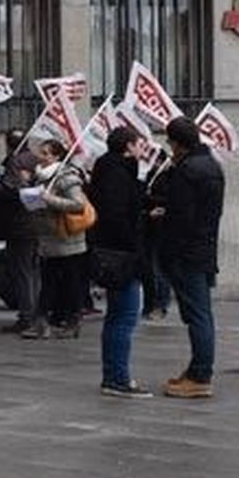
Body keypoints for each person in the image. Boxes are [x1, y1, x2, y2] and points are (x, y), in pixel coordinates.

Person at [155, 117, 225, 399]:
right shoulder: (211, 166)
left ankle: (200, 374)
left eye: (170, 142)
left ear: (178, 143)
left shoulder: (187, 170)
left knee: (197, 314)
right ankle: (197, 368)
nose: (169, 147)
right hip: (204, 246)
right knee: (200, 312)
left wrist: (163, 217)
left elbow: (181, 216)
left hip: (187, 251)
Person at [89, 126, 151, 398]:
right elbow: (118, 214)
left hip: (114, 251)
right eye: (140, 144)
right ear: (128, 146)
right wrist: (132, 246)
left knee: (118, 316)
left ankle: (113, 375)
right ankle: (117, 378)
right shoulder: (117, 172)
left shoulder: (112, 168)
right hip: (121, 255)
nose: (142, 149)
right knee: (125, 316)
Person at [35, 139, 91, 339]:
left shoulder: (66, 178)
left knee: (70, 281)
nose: (41, 157)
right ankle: (43, 321)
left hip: (67, 239)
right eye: (41, 152)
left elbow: (77, 204)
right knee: (48, 281)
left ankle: (72, 320)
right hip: (48, 238)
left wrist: (49, 200)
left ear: (57, 156)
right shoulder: (41, 177)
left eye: (46, 153)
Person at [0, 129, 43, 336]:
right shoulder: (37, 161)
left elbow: (12, 192)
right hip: (36, 224)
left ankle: (27, 316)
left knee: (22, 271)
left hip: (19, 224)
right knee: (33, 271)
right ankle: (35, 312)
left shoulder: (15, 162)